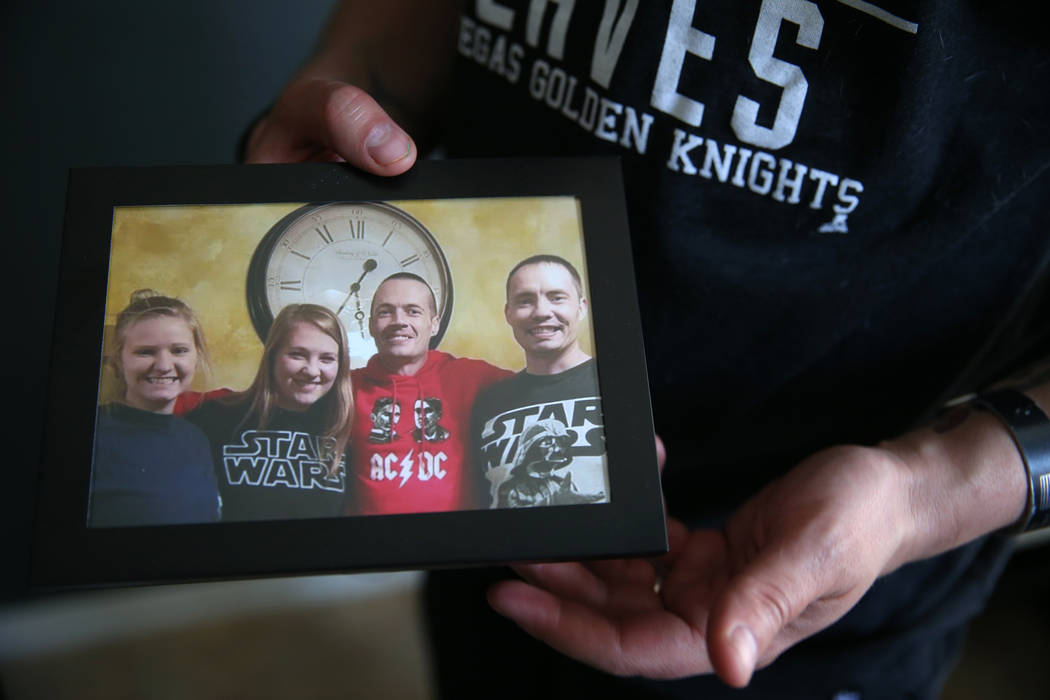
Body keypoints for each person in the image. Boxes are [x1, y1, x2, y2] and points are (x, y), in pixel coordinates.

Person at [244, 2, 1050, 697]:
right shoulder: (464, 392)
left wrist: (922, 493)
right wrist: (362, 81)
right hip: (485, 527)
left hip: (810, 579)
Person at [347, 272, 512, 515]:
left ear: (434, 324)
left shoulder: (472, 377)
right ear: (371, 324)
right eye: (385, 312)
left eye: (413, 311)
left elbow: (541, 382)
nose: (398, 321)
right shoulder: (346, 388)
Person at [187, 304, 353, 522]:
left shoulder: (345, 430)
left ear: (340, 365)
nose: (312, 370)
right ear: (272, 356)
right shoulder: (215, 417)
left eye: (327, 358)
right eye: (297, 355)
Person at [474, 255, 608, 509]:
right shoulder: (488, 402)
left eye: (557, 297)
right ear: (509, 313)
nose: (542, 312)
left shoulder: (617, 383)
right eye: (525, 301)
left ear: (581, 307)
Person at [90, 289, 221, 527]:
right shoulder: (93, 433)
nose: (163, 365)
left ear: (196, 356)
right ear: (119, 360)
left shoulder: (197, 438)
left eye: (179, 350)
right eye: (145, 352)